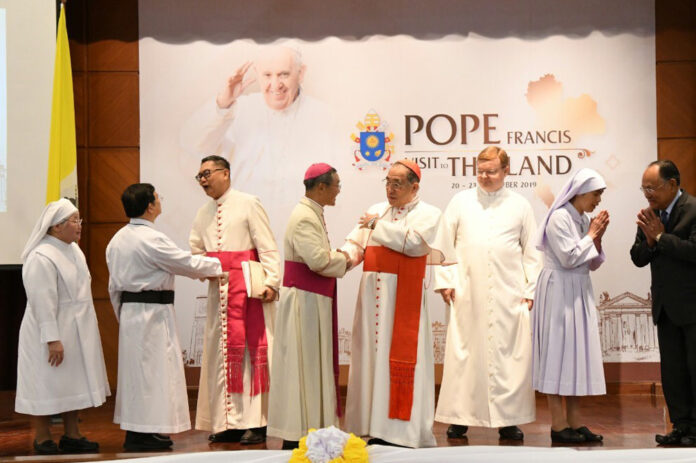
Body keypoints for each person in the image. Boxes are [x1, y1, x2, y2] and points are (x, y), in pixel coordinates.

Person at [341, 159, 455, 448]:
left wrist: (376, 226)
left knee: (403, 362)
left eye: (398, 183)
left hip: (402, 302)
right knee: (370, 360)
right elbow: (356, 245)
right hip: (371, 301)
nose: (391, 189)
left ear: (414, 186)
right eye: (388, 182)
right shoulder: (377, 211)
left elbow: (415, 243)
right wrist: (336, 261)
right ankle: (372, 426)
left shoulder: (429, 213)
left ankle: (400, 432)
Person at [434, 146, 542, 441]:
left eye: (491, 171)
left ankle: (508, 419)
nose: (485, 176)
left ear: (506, 171)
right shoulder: (460, 201)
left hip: (510, 294)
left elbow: (532, 251)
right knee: (464, 354)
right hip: (466, 291)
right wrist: (446, 280)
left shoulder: (520, 205)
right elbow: (443, 244)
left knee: (509, 357)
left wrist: (530, 288)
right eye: (480, 171)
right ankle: (459, 417)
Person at [106, 184, 223, 451]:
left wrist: (122, 316)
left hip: (131, 313)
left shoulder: (118, 239)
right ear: (149, 205)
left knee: (139, 376)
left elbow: (114, 287)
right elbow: (185, 263)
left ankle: (142, 430)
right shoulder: (151, 239)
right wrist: (222, 265)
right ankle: (140, 434)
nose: (160, 201)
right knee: (153, 374)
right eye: (158, 197)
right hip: (152, 315)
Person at [180, 45, 337, 239]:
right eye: (267, 75)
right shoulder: (239, 109)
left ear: (301, 73)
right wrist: (223, 103)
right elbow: (190, 142)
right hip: (247, 228)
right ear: (257, 74)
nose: (275, 84)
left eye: (283, 74)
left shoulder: (324, 115)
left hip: (303, 228)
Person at [190, 155, 280, 444]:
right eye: (199, 176)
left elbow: (267, 247)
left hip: (249, 288)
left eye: (207, 173)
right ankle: (228, 422)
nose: (203, 180)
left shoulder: (249, 202)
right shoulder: (203, 213)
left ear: (225, 173)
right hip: (220, 292)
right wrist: (206, 267)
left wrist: (271, 281)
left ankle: (257, 422)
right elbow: (195, 250)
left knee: (251, 355)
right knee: (222, 355)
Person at [15, 198, 110, 455]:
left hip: (76, 330)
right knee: (44, 384)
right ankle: (43, 437)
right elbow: (41, 301)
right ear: (56, 226)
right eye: (74, 220)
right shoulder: (41, 256)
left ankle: (72, 434)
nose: (80, 225)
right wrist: (52, 339)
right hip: (48, 332)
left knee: (73, 382)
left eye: (80, 219)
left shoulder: (74, 249)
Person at [267, 163, 350, 449]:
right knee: (302, 368)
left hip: (311, 300)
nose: (339, 189)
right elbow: (318, 261)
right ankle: (299, 430)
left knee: (309, 367)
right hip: (304, 304)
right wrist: (348, 258)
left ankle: (311, 427)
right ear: (322, 186)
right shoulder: (304, 216)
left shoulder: (312, 212)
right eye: (337, 184)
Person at [532, 168, 609, 444]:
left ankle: (575, 422)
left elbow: (593, 262)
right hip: (559, 290)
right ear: (580, 192)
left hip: (578, 288)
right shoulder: (559, 217)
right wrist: (592, 235)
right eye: (596, 193)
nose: (598, 199)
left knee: (575, 354)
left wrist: (596, 236)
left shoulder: (583, 219)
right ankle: (557, 423)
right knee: (557, 352)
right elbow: (567, 258)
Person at [630, 160, 696, 446]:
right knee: (673, 372)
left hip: (692, 307)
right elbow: (637, 257)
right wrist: (650, 241)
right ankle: (681, 426)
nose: (648, 194)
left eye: (652, 187)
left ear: (672, 184)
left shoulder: (693, 210)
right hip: (665, 307)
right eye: (644, 188)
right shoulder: (649, 214)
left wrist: (660, 237)